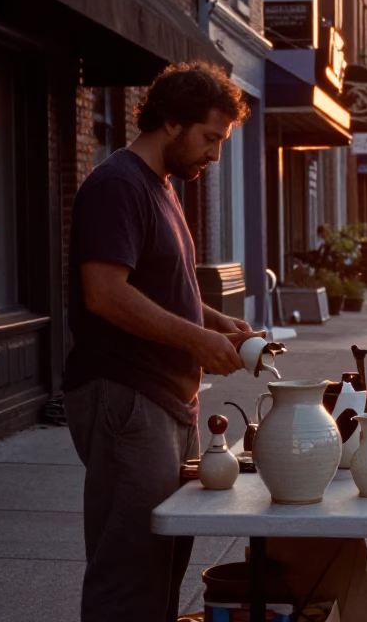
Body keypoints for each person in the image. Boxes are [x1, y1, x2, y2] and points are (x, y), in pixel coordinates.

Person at [63, 62, 258, 622]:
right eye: (210, 138)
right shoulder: (117, 184)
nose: (215, 155)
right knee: (130, 571)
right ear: (172, 122)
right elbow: (104, 293)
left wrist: (218, 323)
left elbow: (161, 290)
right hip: (127, 397)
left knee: (163, 562)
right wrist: (198, 341)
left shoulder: (162, 187)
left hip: (167, 402)